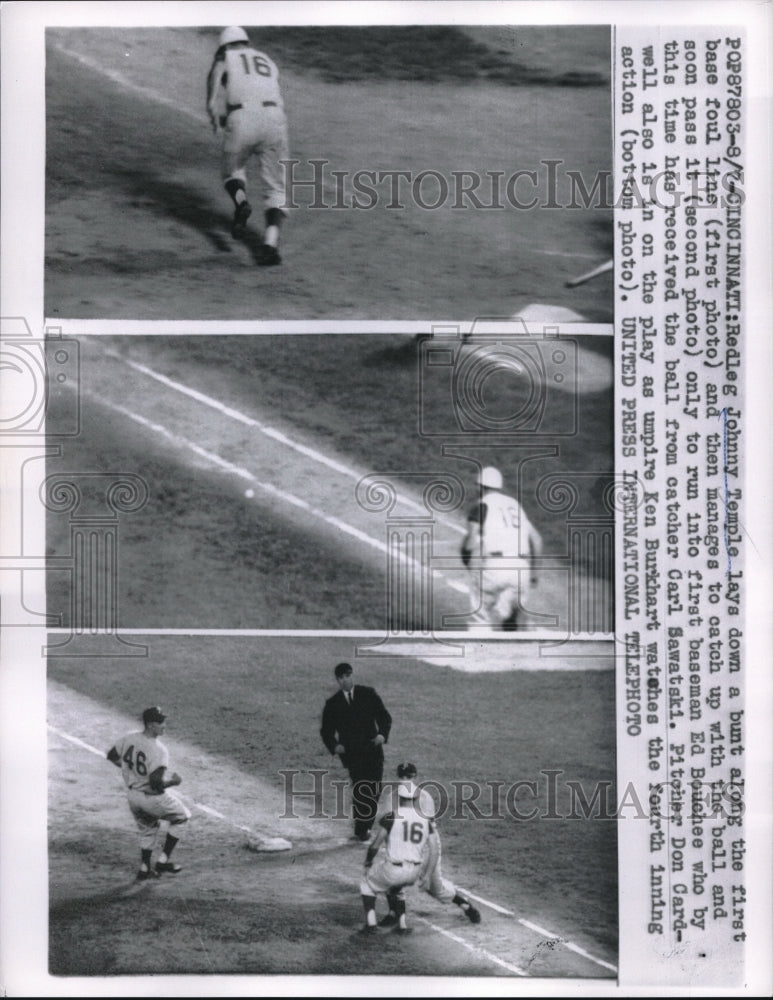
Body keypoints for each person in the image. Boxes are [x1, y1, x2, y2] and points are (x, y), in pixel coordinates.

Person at [206, 26, 290, 266]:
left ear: (226, 46)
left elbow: (216, 72)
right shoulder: (267, 60)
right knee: (276, 189)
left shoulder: (226, 56)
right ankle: (270, 246)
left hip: (241, 120)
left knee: (232, 171)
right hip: (275, 119)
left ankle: (241, 202)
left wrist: (211, 106)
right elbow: (261, 100)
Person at [377, 763, 482, 927]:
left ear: (415, 777)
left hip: (425, 846)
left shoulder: (425, 798)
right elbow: (387, 827)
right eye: (402, 777)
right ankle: (395, 913)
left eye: (409, 777)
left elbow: (428, 833)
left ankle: (465, 905)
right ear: (399, 777)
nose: (405, 780)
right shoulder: (391, 798)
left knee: (436, 889)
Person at [106, 706, 191, 881]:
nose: (164, 725)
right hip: (152, 798)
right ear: (151, 725)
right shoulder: (160, 750)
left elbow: (112, 755)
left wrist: (129, 771)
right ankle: (162, 861)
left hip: (133, 798)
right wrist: (174, 782)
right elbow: (157, 784)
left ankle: (144, 868)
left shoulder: (129, 738)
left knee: (148, 830)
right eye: (160, 722)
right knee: (182, 817)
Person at [461, 465, 542, 628]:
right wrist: (535, 573)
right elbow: (537, 539)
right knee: (512, 619)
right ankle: (512, 627)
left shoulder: (481, 505)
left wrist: (467, 561)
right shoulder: (515, 505)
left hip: (495, 569)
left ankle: (480, 641)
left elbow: (470, 544)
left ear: (480, 487)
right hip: (521, 571)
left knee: (479, 615)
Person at [320, 662, 392, 842]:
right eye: (341, 678)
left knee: (374, 789)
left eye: (348, 676)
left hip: (373, 750)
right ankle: (362, 829)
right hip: (352, 754)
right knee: (361, 790)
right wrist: (335, 746)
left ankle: (364, 826)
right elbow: (326, 730)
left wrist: (382, 734)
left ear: (352, 675)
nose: (345, 680)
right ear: (338, 680)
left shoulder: (368, 694)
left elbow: (384, 716)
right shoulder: (333, 703)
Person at [359, 771, 436, 935]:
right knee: (396, 887)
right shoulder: (425, 819)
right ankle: (401, 925)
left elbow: (375, 845)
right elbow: (434, 851)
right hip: (415, 873)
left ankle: (371, 925)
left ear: (399, 799)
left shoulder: (392, 817)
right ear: (415, 799)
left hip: (394, 870)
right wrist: (427, 875)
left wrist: (367, 862)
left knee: (367, 883)